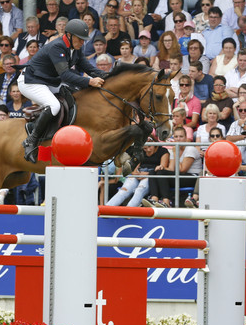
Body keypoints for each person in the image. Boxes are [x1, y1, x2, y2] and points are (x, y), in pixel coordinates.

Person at [18, 20, 106, 163]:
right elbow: (65, 75)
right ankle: (31, 140)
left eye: (84, 40)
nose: (82, 43)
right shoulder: (57, 46)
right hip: (30, 81)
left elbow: (89, 68)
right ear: (69, 35)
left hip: (48, 81)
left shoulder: (76, 48)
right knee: (54, 106)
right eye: (80, 39)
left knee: (75, 96)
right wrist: (90, 81)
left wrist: (107, 75)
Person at [107, 140, 169, 207]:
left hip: (151, 176)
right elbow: (134, 167)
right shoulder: (140, 151)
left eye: (149, 146)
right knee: (124, 190)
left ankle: (128, 211)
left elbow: (161, 169)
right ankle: (106, 209)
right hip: (139, 174)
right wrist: (135, 173)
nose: (147, 150)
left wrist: (146, 174)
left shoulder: (162, 151)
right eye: (145, 148)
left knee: (139, 190)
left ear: (155, 144)